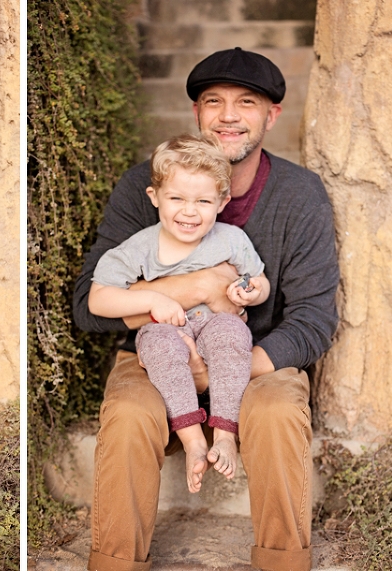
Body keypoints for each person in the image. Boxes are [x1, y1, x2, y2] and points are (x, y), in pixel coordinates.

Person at [73, 47, 339, 571]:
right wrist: (195, 286)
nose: (229, 115)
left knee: (280, 411)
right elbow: (88, 307)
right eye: (213, 101)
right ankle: (115, 563)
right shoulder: (143, 188)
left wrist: (225, 372)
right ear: (196, 113)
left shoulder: (300, 195)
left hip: (255, 355)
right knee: (127, 415)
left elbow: (313, 320)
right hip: (153, 352)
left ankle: (283, 562)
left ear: (271, 115)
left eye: (248, 102)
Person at [88, 134, 269, 495]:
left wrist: (248, 292)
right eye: (177, 199)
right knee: (158, 346)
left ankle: (224, 433)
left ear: (222, 202)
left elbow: (258, 280)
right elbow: (98, 300)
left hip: (216, 327)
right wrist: (152, 301)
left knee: (233, 334)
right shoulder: (140, 247)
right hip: (166, 331)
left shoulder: (231, 239)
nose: (189, 211)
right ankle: (191, 441)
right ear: (155, 198)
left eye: (203, 200)